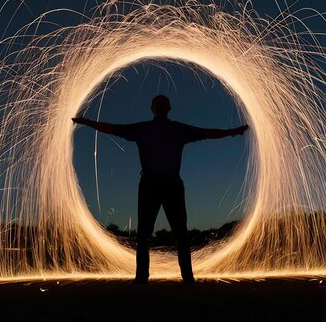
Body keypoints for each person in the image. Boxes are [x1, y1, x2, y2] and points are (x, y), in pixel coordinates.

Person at [72, 95, 249, 283]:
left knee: (180, 232)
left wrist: (231, 131)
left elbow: (205, 133)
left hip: (171, 185)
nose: (161, 107)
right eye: (158, 104)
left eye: (163, 104)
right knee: (144, 234)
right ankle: (142, 278)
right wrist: (88, 122)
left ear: (168, 108)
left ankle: (187, 277)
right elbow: (114, 129)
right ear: (153, 108)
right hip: (150, 185)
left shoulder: (178, 129)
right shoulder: (143, 129)